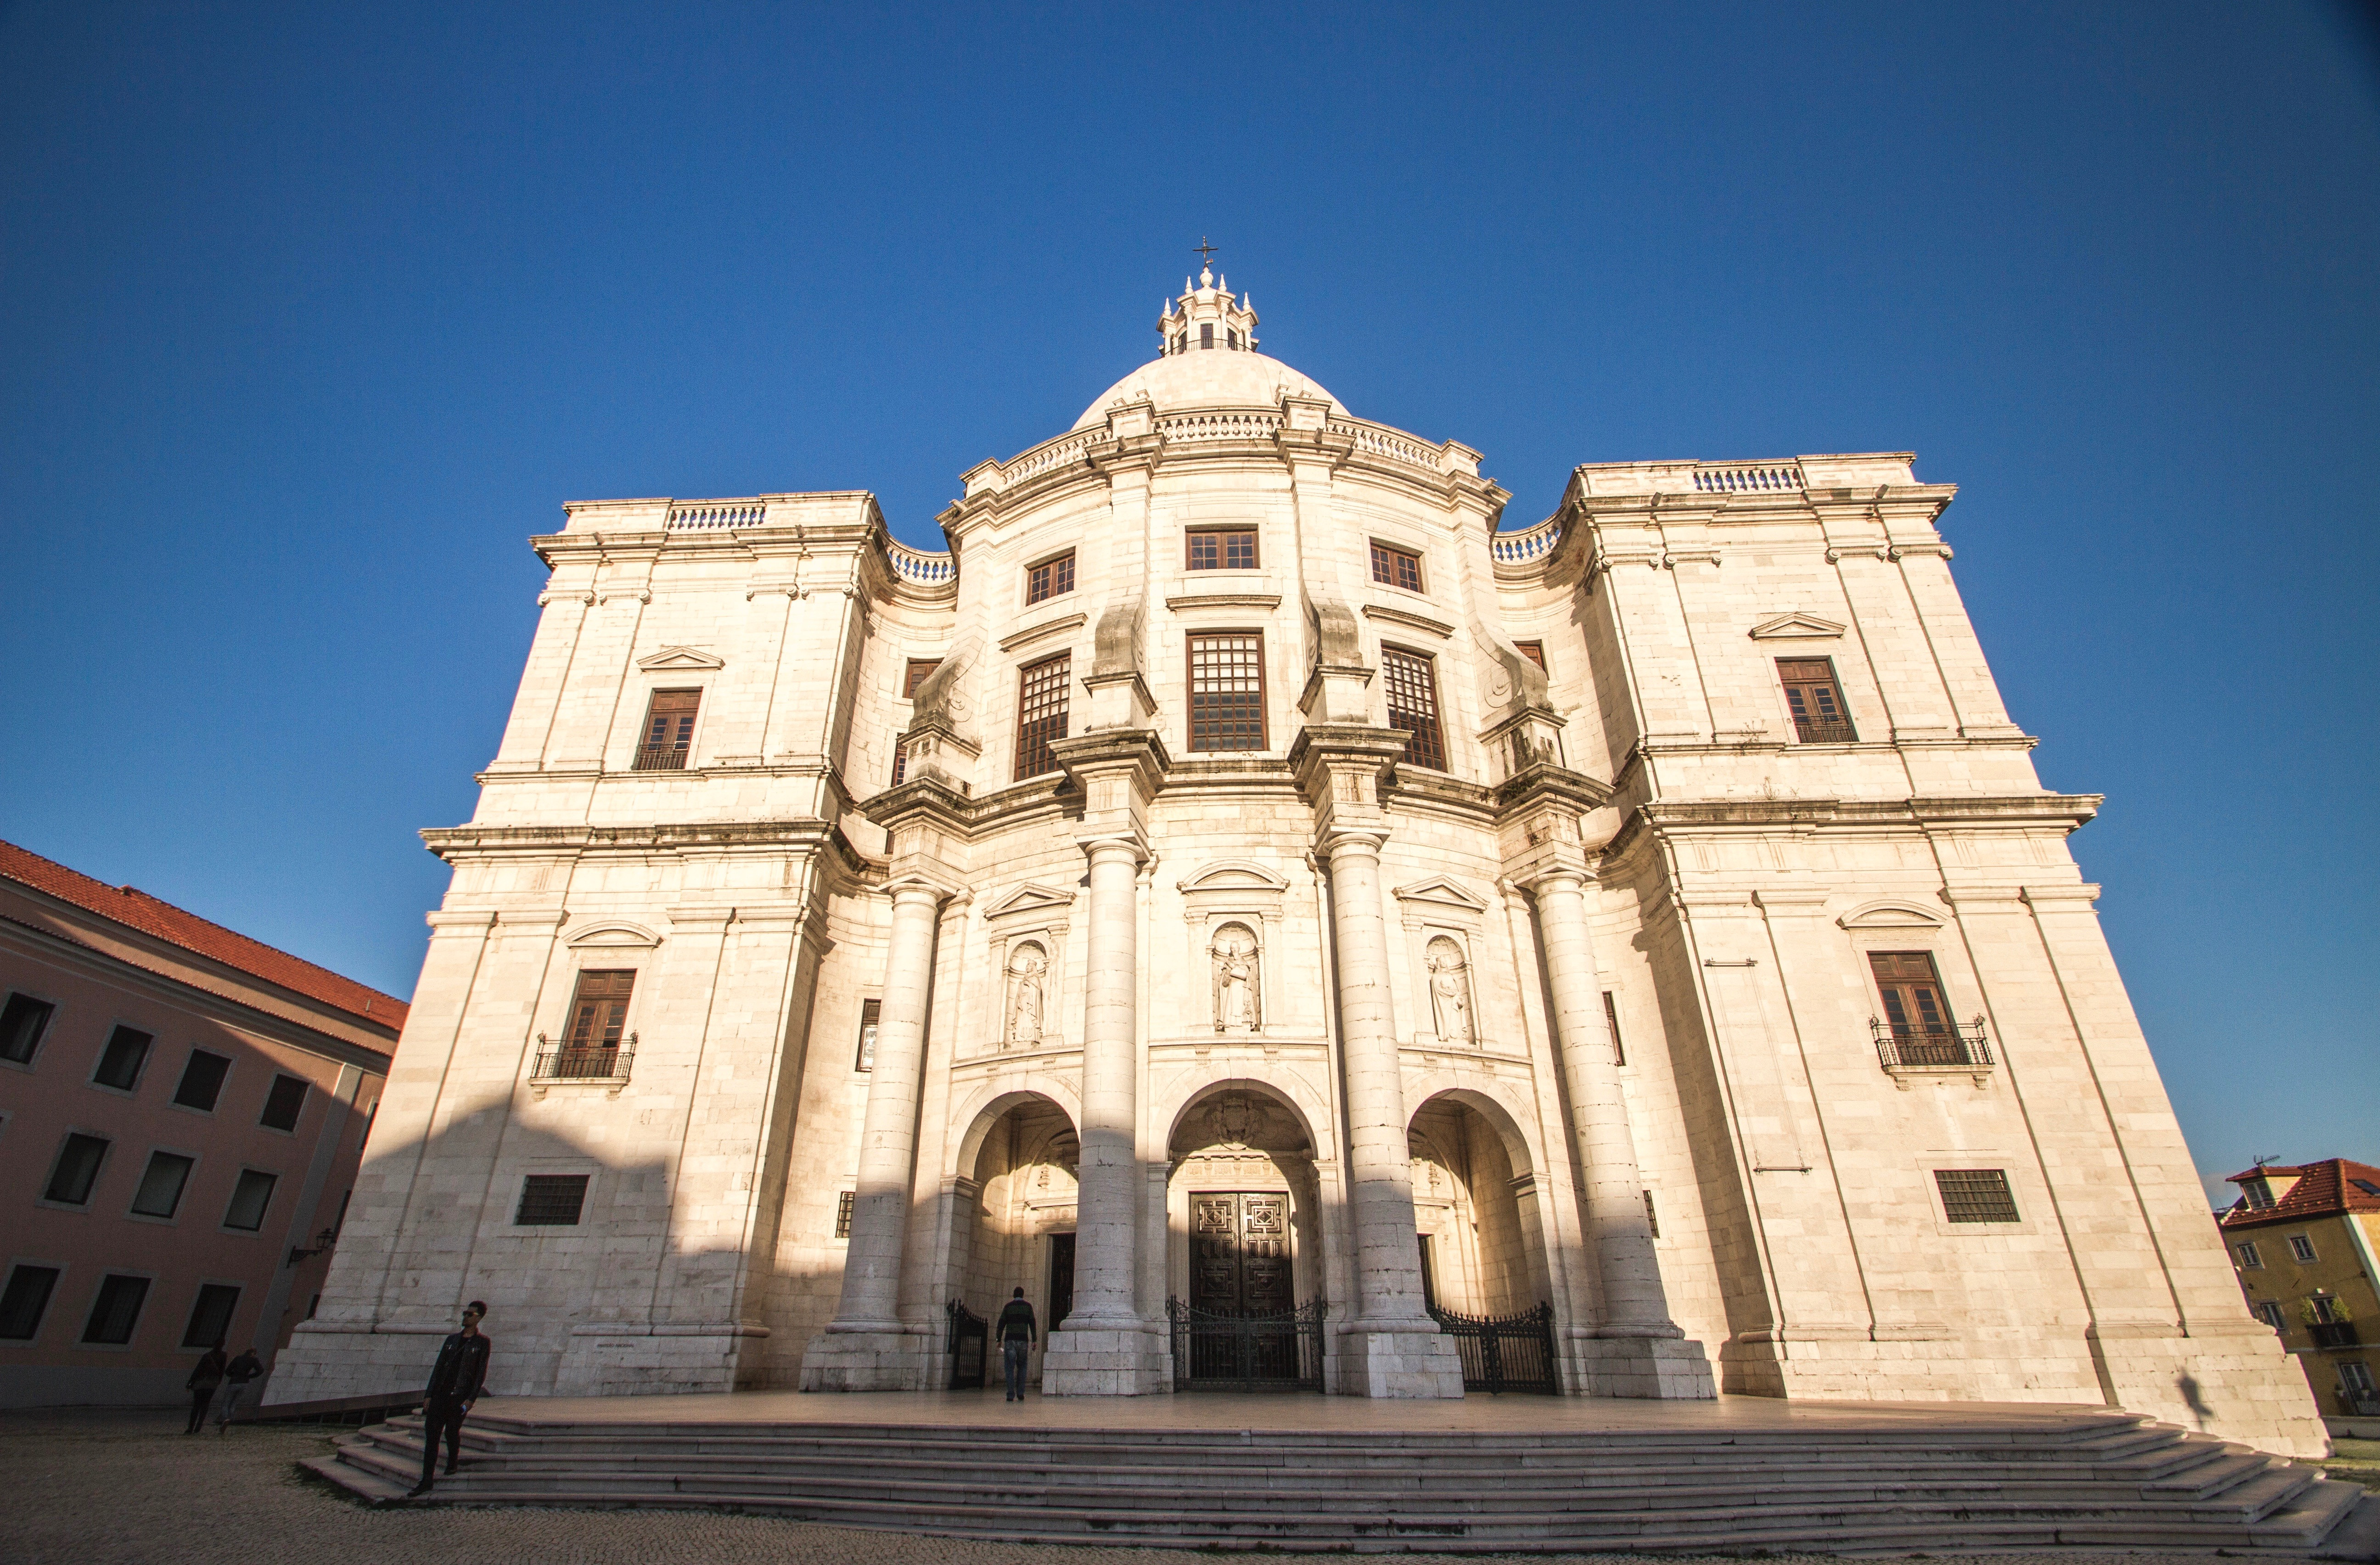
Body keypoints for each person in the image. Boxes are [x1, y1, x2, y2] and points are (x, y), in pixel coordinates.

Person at [406, 1301, 490, 1498]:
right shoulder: (451, 1340)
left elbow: (480, 1373)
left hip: (459, 1397)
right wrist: (429, 1395)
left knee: (452, 1431)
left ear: (479, 1318)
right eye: (465, 1313)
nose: (465, 1317)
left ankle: (453, 1461)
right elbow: (438, 1367)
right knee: (432, 1436)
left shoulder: (482, 1342)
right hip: (440, 1395)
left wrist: (471, 1399)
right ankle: (427, 1480)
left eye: (470, 1314)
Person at [994, 1286, 1036, 1402]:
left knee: (1009, 1368)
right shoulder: (1028, 1307)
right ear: (1023, 1295)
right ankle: (1021, 1393)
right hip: (1023, 1341)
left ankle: (1010, 1395)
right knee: (1022, 1367)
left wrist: (998, 1340)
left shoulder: (1008, 1307)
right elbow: (1033, 1324)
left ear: (1014, 1295)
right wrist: (1034, 1340)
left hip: (1010, 1341)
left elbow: (1000, 1325)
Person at [213, 1346, 264, 1431]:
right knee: (234, 1402)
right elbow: (261, 1370)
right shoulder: (254, 1360)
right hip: (244, 1383)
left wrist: (234, 1375)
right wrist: (250, 1376)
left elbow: (228, 1371)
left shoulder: (238, 1358)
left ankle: (224, 1419)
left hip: (234, 1382)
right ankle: (230, 1419)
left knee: (226, 1402)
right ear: (254, 1353)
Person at [185, 1341, 226, 1435]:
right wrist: (219, 1381)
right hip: (212, 1383)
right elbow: (222, 1370)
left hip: (201, 1382)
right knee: (205, 1405)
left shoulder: (207, 1356)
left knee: (196, 1406)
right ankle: (199, 1426)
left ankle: (191, 1428)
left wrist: (190, 1383)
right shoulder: (224, 1356)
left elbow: (198, 1369)